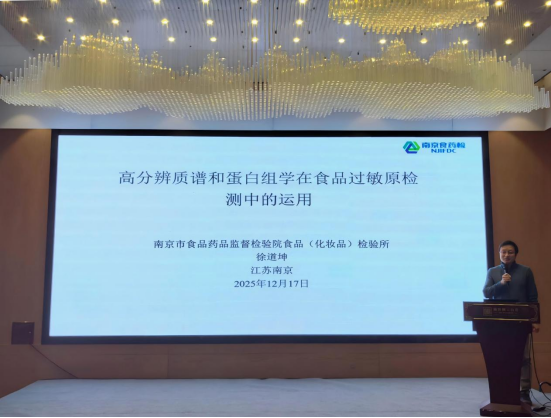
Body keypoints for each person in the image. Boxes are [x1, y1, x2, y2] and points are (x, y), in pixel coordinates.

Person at [483, 240, 539, 405]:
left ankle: (524, 391)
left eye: (510, 252)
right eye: (503, 252)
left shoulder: (525, 271)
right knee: (500, 355)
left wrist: (535, 320)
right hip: (498, 323)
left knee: (524, 357)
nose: (506, 255)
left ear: (515, 254)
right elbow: (486, 292)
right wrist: (501, 283)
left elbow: (533, 297)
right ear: (499, 253)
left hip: (521, 321)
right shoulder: (493, 272)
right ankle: (503, 389)